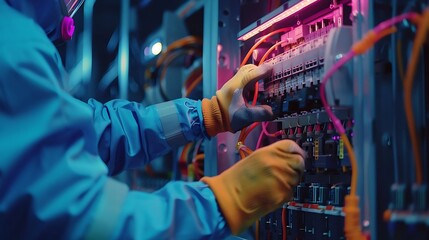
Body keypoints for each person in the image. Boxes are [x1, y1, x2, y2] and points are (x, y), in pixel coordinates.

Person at [0, 0, 305, 239]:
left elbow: (98, 133)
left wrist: (207, 114)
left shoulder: (15, 34)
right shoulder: (14, 44)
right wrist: (223, 201)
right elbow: (83, 221)